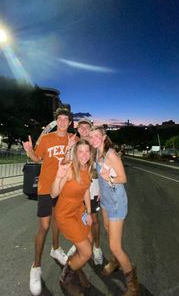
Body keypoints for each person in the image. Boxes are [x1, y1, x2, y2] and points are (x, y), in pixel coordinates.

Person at [22, 107, 76, 296]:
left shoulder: (73, 139)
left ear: (70, 122)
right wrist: (30, 152)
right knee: (44, 226)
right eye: (59, 119)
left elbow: (75, 162)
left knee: (58, 221)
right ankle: (36, 267)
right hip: (46, 188)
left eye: (65, 119)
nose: (62, 122)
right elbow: (37, 158)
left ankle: (55, 248)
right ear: (56, 121)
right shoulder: (46, 139)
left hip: (63, 188)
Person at [89, 126, 140, 296]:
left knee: (115, 245)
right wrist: (99, 193)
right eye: (91, 136)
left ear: (104, 137)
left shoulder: (110, 154)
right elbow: (99, 175)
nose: (94, 138)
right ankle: (114, 262)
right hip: (105, 200)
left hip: (116, 202)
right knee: (107, 230)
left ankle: (133, 285)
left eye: (97, 135)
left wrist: (108, 178)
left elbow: (123, 178)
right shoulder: (97, 152)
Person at [51, 139, 94, 295]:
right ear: (75, 153)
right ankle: (66, 278)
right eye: (80, 151)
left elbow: (86, 190)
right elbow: (53, 193)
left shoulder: (88, 168)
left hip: (79, 210)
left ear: (91, 153)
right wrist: (58, 176)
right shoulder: (69, 168)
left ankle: (75, 267)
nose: (84, 155)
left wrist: (88, 213)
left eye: (87, 151)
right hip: (66, 214)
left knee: (88, 240)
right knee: (87, 252)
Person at [67, 118, 103, 266]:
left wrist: (101, 188)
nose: (83, 129)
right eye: (80, 127)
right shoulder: (75, 144)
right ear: (78, 129)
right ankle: (77, 245)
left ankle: (96, 248)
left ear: (90, 128)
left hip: (93, 189)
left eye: (86, 127)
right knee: (77, 220)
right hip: (78, 189)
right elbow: (68, 164)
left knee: (94, 220)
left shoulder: (95, 146)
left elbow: (102, 168)